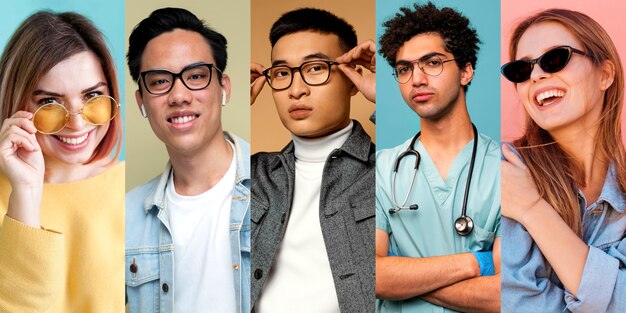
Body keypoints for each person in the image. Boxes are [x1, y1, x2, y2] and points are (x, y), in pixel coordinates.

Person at [375, 2, 501, 312]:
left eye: (432, 63)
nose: (416, 79)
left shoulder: (508, 169)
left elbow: (503, 295)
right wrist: (475, 262)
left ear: (466, 71)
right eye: (405, 68)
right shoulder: (380, 169)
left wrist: (403, 281)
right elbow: (371, 277)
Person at [249, 7, 376, 312]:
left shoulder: (386, 171)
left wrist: (389, 92)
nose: (296, 89)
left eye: (316, 68)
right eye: (281, 73)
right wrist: (226, 103)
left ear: (352, 78)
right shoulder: (252, 174)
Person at [500, 8, 626, 312]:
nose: (537, 75)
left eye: (555, 58)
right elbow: (518, 302)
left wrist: (533, 210)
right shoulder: (504, 169)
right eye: (521, 70)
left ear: (605, 75)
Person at [125, 8, 250, 313]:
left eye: (195, 76)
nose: (179, 95)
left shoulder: (280, 183)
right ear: (141, 101)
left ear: (224, 88)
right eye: (159, 81)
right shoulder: (126, 215)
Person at [0, 11, 124, 312]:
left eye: (92, 95)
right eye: (49, 103)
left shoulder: (135, 191)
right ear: (16, 104)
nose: (77, 124)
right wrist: (26, 193)